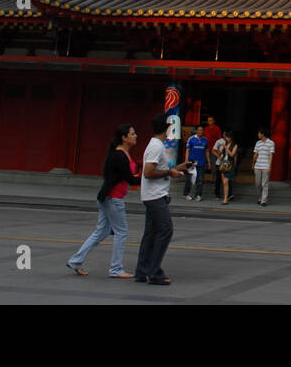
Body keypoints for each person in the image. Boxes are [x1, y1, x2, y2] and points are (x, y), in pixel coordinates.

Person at [68, 124, 139, 278]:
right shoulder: (119, 155)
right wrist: (152, 176)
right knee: (121, 232)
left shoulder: (122, 154)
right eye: (132, 134)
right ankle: (116, 269)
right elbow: (130, 179)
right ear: (124, 137)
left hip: (108, 198)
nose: (135, 136)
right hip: (113, 199)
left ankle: (76, 261)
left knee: (102, 231)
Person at [135, 112, 187, 285]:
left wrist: (178, 167)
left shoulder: (155, 144)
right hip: (155, 196)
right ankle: (154, 272)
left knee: (151, 233)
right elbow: (148, 172)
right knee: (166, 230)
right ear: (167, 128)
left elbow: (159, 169)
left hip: (152, 195)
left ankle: (142, 270)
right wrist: (168, 172)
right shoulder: (157, 146)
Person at [184, 125, 208, 201]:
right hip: (192, 162)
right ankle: (186, 194)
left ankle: (198, 194)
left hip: (201, 162)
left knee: (200, 179)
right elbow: (187, 150)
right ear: (196, 131)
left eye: (202, 130)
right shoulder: (191, 139)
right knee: (190, 178)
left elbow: (206, 151)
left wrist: (209, 161)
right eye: (199, 130)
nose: (200, 132)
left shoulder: (205, 140)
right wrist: (187, 160)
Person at [252, 128, 276, 206]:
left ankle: (263, 200)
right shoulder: (258, 143)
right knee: (257, 184)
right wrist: (253, 164)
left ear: (263, 134)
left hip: (266, 166)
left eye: (259, 133)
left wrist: (270, 166)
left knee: (264, 184)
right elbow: (255, 154)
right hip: (257, 166)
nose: (258, 135)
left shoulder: (271, 143)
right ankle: (260, 197)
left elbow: (271, 155)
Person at [202, 115, 222, 199]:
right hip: (206, 149)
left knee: (214, 167)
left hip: (213, 150)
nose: (209, 122)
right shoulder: (206, 129)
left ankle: (214, 181)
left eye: (211, 120)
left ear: (213, 121)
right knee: (203, 165)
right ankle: (202, 180)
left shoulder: (217, 129)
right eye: (208, 120)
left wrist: (218, 150)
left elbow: (219, 140)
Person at [219, 131, 238, 204]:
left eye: (227, 137)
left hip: (230, 163)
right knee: (224, 183)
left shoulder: (235, 145)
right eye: (226, 137)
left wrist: (226, 148)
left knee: (225, 181)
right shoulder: (226, 144)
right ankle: (225, 197)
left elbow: (232, 154)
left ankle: (225, 199)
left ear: (230, 137)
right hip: (224, 163)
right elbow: (222, 154)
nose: (226, 138)